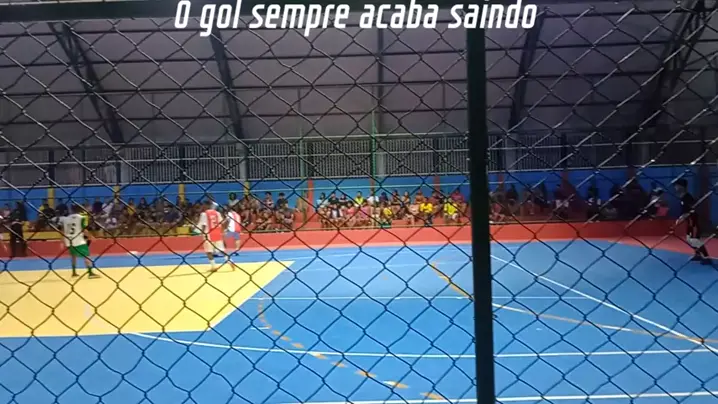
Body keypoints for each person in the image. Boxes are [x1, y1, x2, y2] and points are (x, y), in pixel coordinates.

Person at [674, 179, 711, 265]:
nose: (675, 187)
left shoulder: (688, 197)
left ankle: (706, 257)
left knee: (694, 240)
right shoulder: (682, 197)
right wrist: (681, 217)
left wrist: (683, 216)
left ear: (681, 186)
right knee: (689, 239)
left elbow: (691, 210)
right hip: (689, 221)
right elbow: (684, 210)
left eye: (677, 185)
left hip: (693, 220)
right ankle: (697, 254)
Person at [57, 204, 98, 278]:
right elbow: (84, 230)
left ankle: (74, 272)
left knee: (73, 256)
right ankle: (90, 273)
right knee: (87, 255)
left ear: (71, 210)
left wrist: (62, 241)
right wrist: (91, 236)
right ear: (80, 210)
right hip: (78, 240)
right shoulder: (81, 218)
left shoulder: (65, 219)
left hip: (69, 240)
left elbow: (62, 230)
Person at [199, 200, 232, 272]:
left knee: (208, 251)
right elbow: (221, 223)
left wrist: (202, 233)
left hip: (208, 233)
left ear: (206, 205)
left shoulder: (204, 214)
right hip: (217, 232)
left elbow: (204, 224)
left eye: (203, 205)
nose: (202, 206)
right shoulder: (217, 213)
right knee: (221, 249)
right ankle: (230, 261)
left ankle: (213, 266)